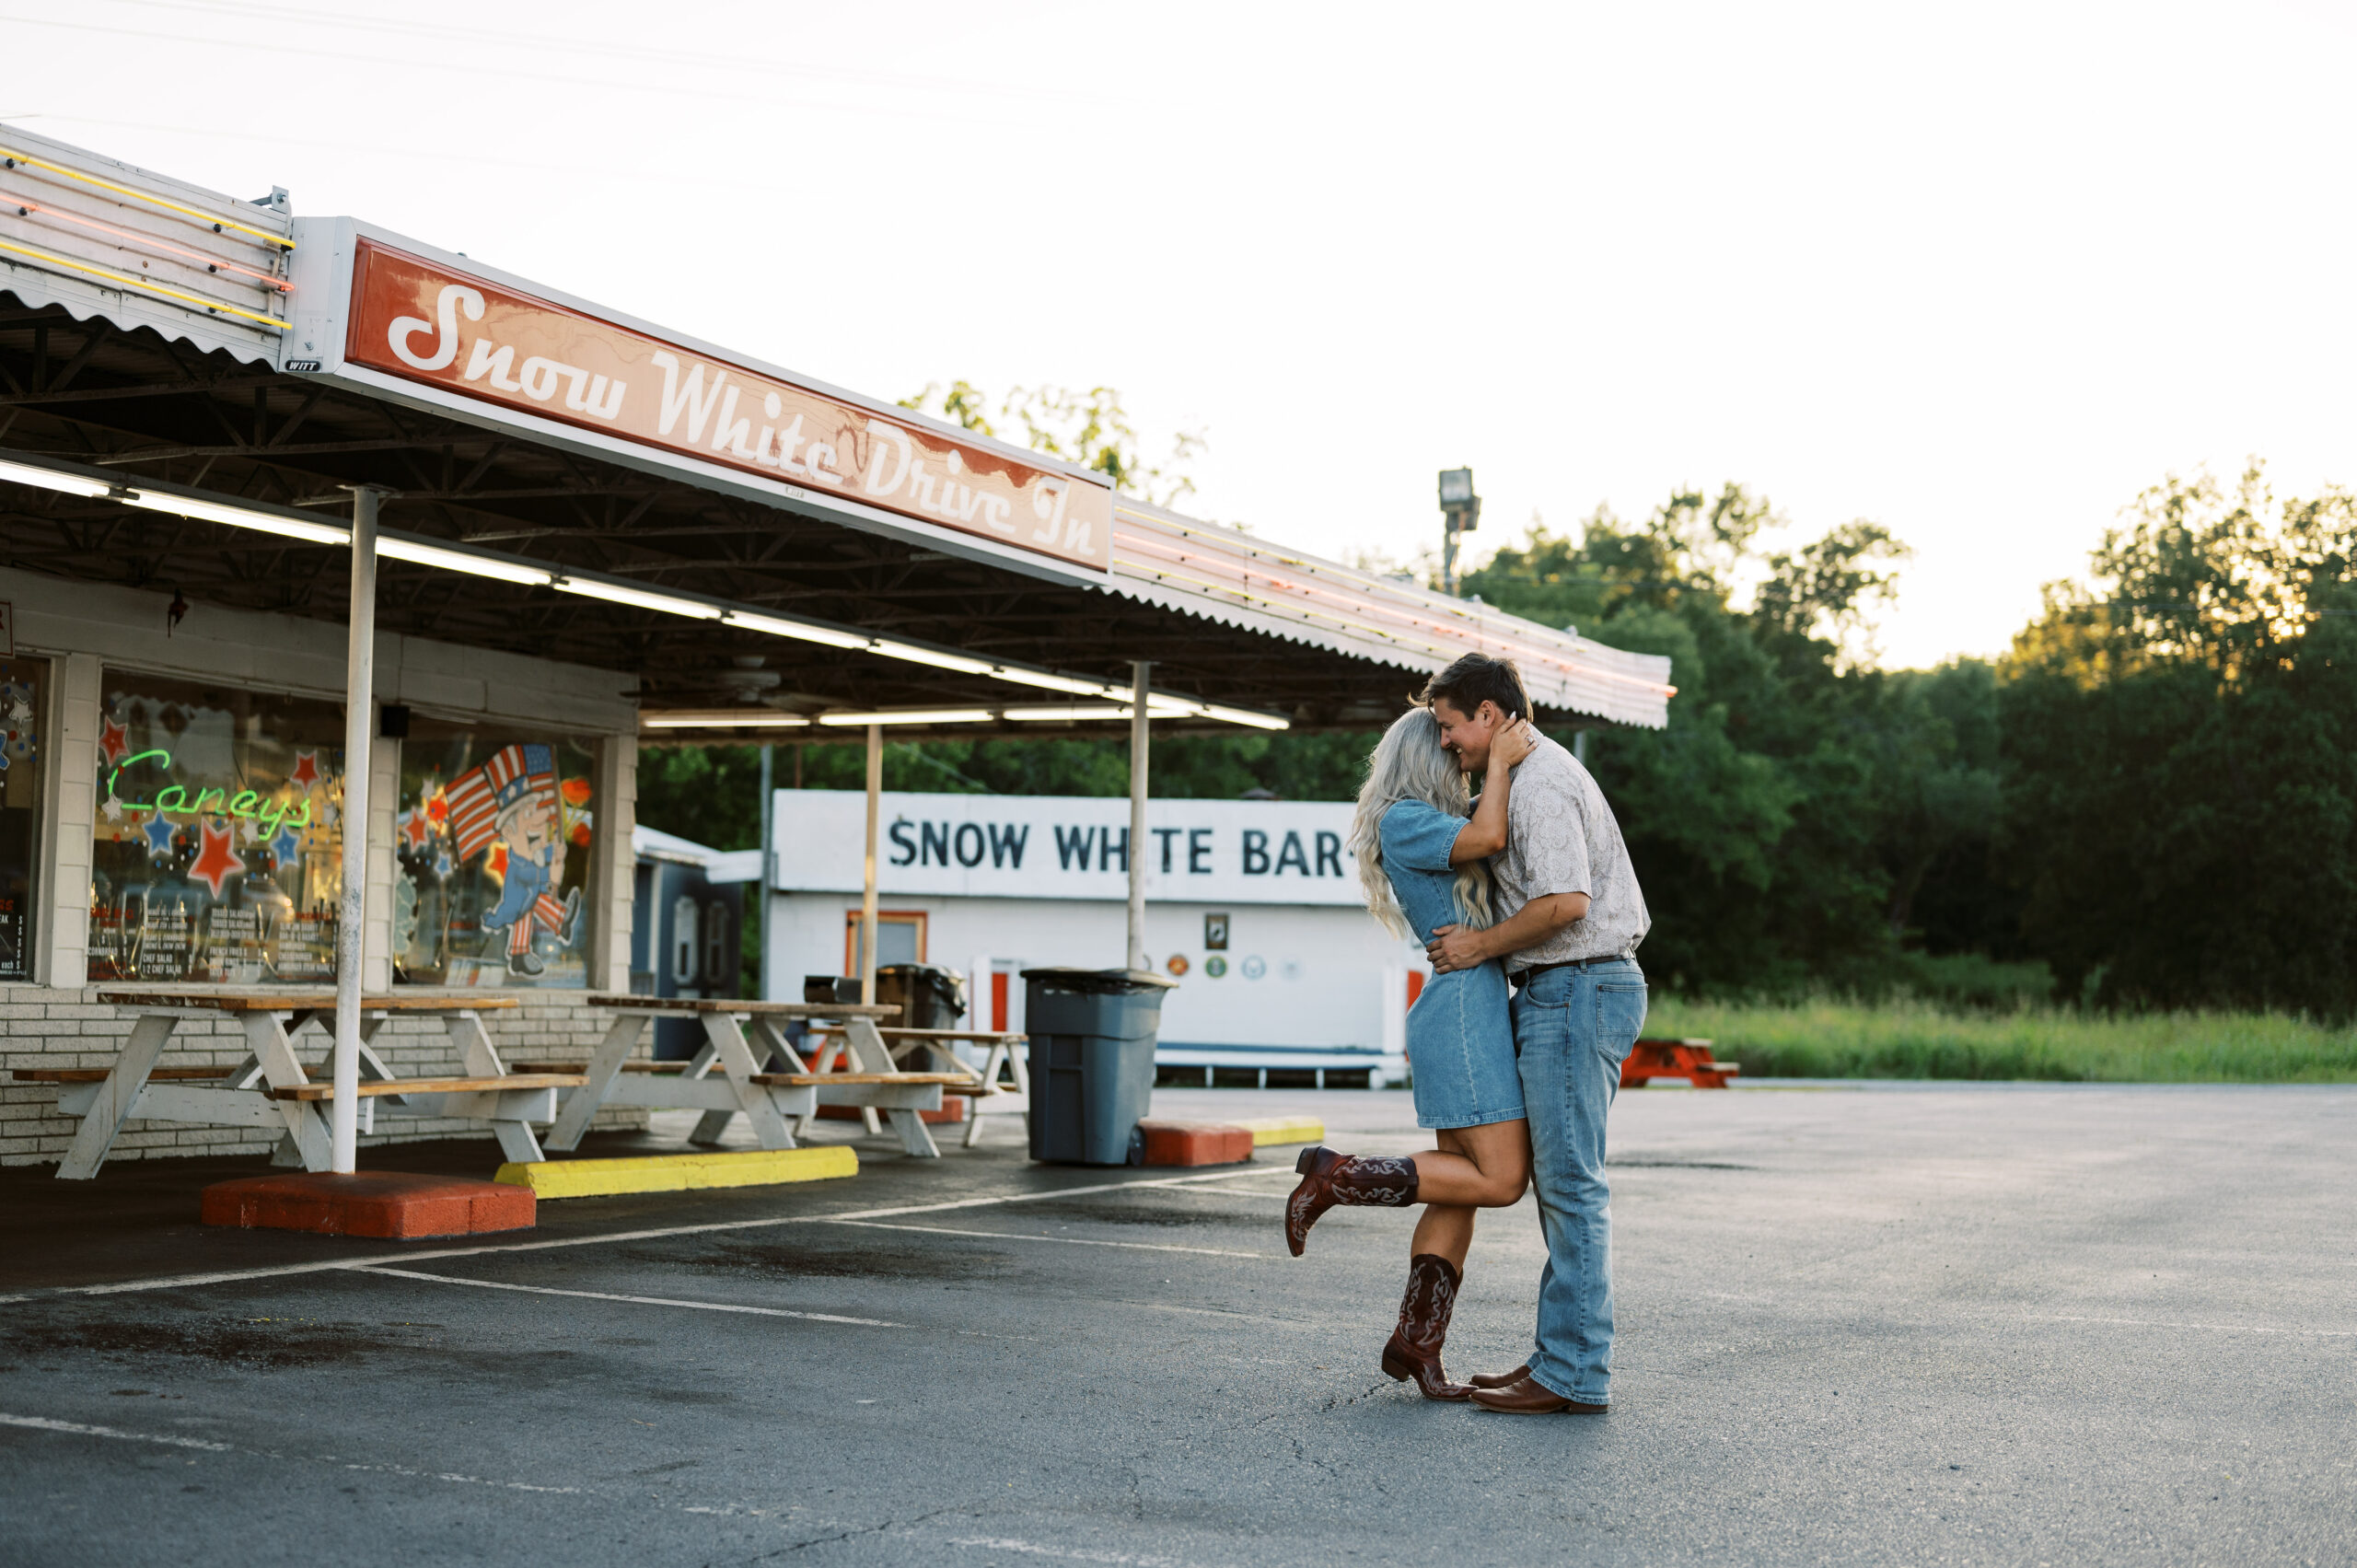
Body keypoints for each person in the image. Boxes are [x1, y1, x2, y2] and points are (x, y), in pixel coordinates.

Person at [1283, 703, 1537, 1400]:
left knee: (1461, 1183)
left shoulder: (1427, 821)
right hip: (1462, 1011)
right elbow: (1492, 833)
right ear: (1425, 756)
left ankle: (1417, 1345)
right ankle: (1339, 1175)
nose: (1462, 754)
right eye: (1450, 747)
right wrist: (1507, 761)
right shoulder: (1406, 819)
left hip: (1469, 1006)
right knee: (1502, 1179)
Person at [1422, 653, 1650, 1415]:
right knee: (1563, 1187)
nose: (1447, 741)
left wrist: (1479, 945)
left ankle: (1573, 1372)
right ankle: (1561, 1360)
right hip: (1567, 987)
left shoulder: (1543, 783)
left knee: (1571, 1187)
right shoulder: (1524, 776)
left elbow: (1566, 901)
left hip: (1577, 985)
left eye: (1451, 724)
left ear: (1488, 714)